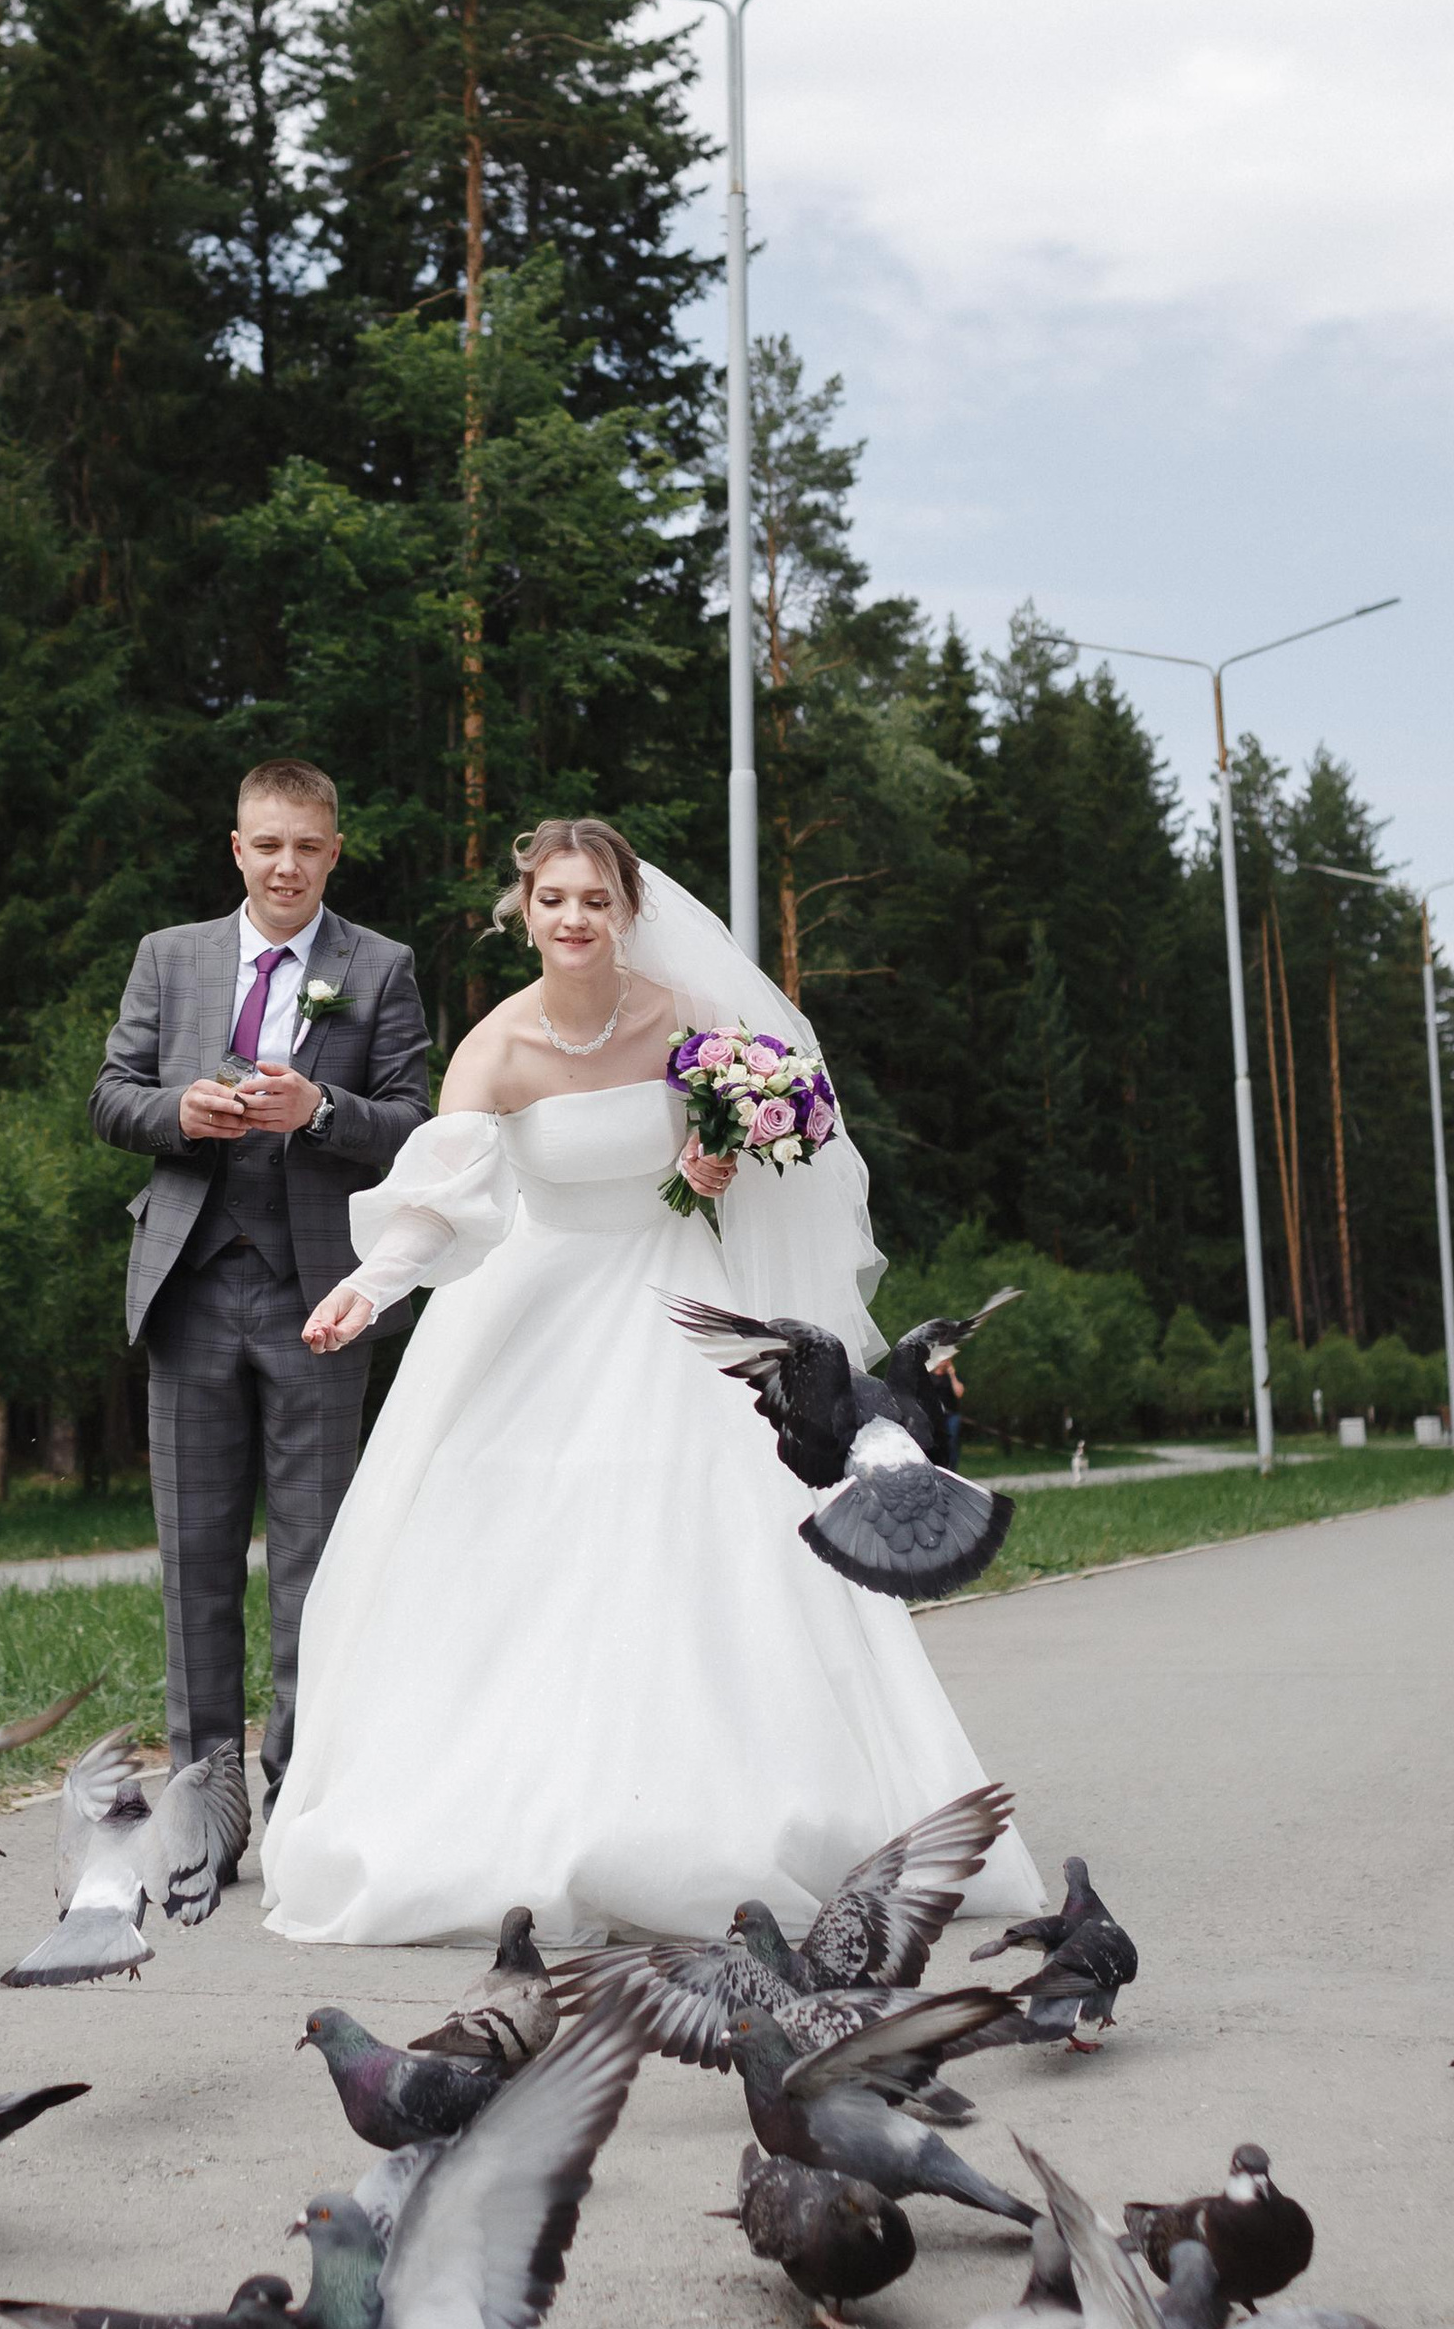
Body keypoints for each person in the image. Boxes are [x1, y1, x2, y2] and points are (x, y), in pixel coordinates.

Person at [260, 816, 1040, 1945]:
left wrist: (709, 1164)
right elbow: (440, 1203)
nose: (574, 919)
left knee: (712, 1539)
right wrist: (366, 1291)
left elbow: (752, 1146)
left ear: (625, 911)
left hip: (674, 1295)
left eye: (594, 900)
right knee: (516, 1550)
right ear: (521, 912)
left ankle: (750, 1806)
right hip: (532, 1310)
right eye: (553, 900)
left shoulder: (683, 1019)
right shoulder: (494, 1048)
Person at [91, 759, 431, 1812]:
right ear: (237, 848)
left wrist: (319, 1111)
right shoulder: (170, 959)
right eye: (267, 844)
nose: (287, 864)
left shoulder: (379, 967)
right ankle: (206, 1793)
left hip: (317, 1295)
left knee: (313, 1559)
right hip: (190, 1286)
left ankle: (302, 1785)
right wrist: (176, 1114)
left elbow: (416, 1125)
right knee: (194, 1557)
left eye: (307, 845)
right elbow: (110, 1098)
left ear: (335, 851)